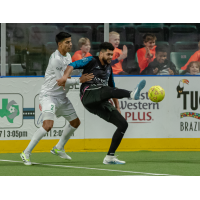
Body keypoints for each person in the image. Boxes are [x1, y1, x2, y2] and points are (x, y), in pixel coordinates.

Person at [57, 42, 146, 165]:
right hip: (88, 95)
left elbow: (112, 87)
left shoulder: (109, 68)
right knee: (106, 90)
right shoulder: (91, 60)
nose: (110, 57)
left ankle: (109, 157)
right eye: (108, 54)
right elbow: (72, 64)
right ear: (101, 53)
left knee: (123, 124)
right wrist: (64, 78)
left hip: (99, 100)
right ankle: (131, 94)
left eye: (112, 54)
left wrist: (117, 106)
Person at [20, 32, 94, 165]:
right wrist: (80, 80)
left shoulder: (68, 57)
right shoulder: (56, 59)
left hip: (61, 97)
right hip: (49, 96)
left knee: (75, 122)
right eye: (67, 42)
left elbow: (67, 77)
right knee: (48, 125)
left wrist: (77, 78)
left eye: (71, 42)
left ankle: (58, 147)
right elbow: (61, 81)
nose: (70, 44)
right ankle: (26, 153)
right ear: (59, 44)